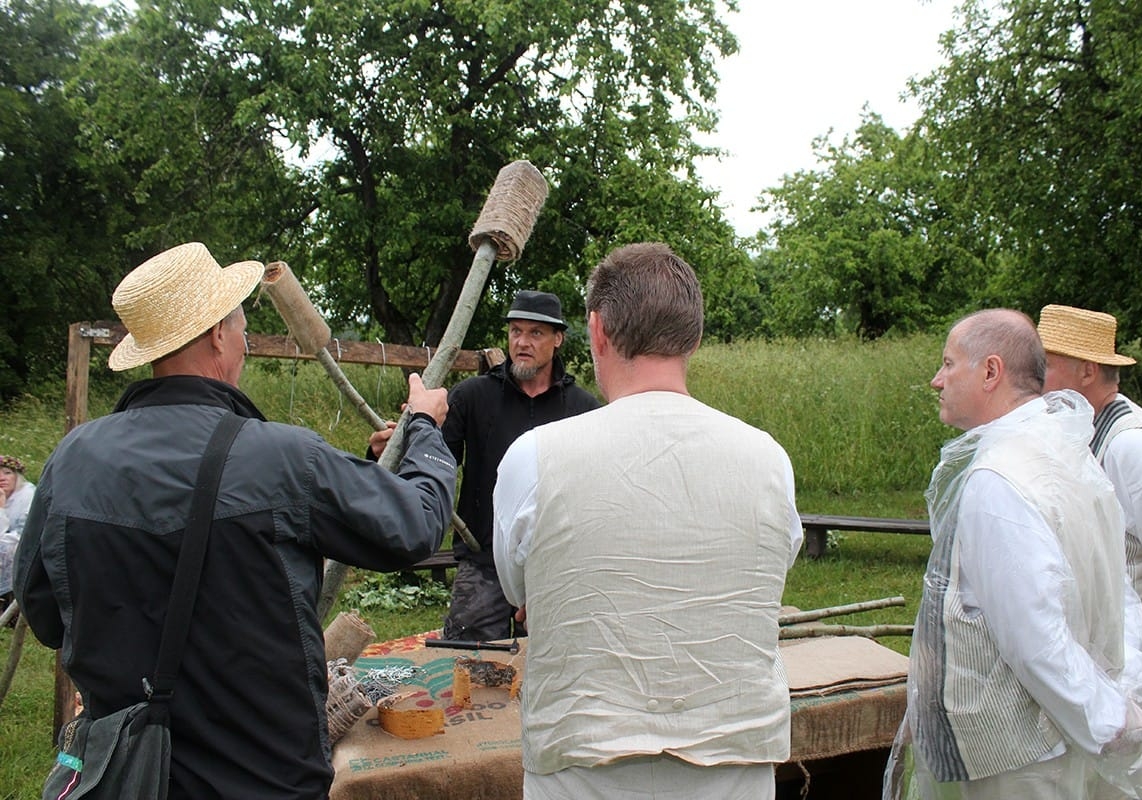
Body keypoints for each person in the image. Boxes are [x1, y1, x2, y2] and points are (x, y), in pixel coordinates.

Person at [14, 242, 456, 800]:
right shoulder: (280, 459)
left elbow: (48, 616)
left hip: (126, 775)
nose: (246, 338)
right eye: (242, 321)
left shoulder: (71, 460)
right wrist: (424, 428)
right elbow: (414, 524)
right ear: (218, 334)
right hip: (264, 778)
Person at [493, 243, 804, 799]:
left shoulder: (534, 457)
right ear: (694, 337)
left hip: (582, 766)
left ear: (597, 331)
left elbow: (520, 591)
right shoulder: (770, 460)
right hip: (731, 767)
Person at [886, 308, 1142, 800]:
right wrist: (1124, 691)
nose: (936, 380)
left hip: (1015, 756)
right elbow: (1118, 586)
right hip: (1055, 741)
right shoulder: (1067, 450)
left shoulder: (1000, 480)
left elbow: (1034, 638)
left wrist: (1109, 718)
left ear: (990, 372)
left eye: (949, 364)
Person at [1038, 303, 1142, 798]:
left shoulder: (1134, 444)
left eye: (1047, 363)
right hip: (1106, 632)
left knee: (1135, 772)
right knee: (1098, 770)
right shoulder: (1085, 428)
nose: (1036, 375)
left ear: (1087, 371)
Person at [440, 289, 599, 641]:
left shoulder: (583, 410)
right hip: (483, 565)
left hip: (556, 568)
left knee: (554, 673)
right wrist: (401, 440)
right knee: (471, 668)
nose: (522, 342)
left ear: (558, 339)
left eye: (535, 333)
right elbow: (435, 462)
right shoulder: (471, 397)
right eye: (516, 331)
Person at [0, 454, 36, 602]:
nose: (2, 478)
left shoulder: (27, 496)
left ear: (16, 476)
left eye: (7, 473)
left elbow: (24, 533)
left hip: (22, 547)